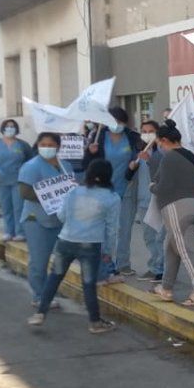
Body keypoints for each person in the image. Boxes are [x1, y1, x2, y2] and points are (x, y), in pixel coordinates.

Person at [27, 159, 121, 333]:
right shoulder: (112, 198)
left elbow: (62, 216)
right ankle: (95, 322)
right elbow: (112, 229)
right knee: (88, 284)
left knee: (54, 277)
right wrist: (109, 252)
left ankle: (40, 313)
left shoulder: (73, 192)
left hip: (66, 240)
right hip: (90, 244)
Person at [149, 121, 194, 306]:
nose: (159, 146)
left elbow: (163, 186)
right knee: (171, 247)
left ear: (165, 140)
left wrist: (152, 187)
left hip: (177, 207)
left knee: (186, 250)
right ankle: (166, 288)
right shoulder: (191, 156)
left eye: (159, 142)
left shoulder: (169, 158)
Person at [83, 108, 142, 281]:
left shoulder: (131, 137)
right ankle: (107, 266)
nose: (117, 125)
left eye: (121, 121)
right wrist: (90, 153)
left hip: (126, 189)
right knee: (105, 232)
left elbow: (137, 160)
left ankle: (123, 264)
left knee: (123, 229)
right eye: (113, 121)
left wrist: (134, 166)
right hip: (102, 191)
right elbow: (87, 165)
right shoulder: (98, 137)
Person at [17, 133, 73, 308]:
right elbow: (25, 193)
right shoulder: (31, 166)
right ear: (38, 145)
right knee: (39, 260)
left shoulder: (66, 165)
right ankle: (39, 295)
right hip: (37, 220)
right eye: (43, 144)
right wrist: (51, 196)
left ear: (58, 146)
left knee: (60, 260)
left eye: (51, 144)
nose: (47, 147)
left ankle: (49, 291)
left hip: (60, 220)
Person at [0, 119, 34, 241]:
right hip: (1, 181)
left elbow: (31, 159)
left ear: (16, 129)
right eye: (7, 126)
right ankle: (8, 231)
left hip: (19, 181)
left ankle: (20, 232)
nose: (10, 129)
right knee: (6, 208)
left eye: (12, 126)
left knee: (19, 207)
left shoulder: (23, 145)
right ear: (3, 129)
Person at [132, 120, 165, 282]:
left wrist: (149, 160)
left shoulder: (161, 152)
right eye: (144, 131)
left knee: (159, 236)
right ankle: (156, 264)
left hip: (157, 200)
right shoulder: (139, 151)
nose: (147, 134)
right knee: (148, 236)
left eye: (150, 131)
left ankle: (159, 268)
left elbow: (160, 175)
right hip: (143, 200)